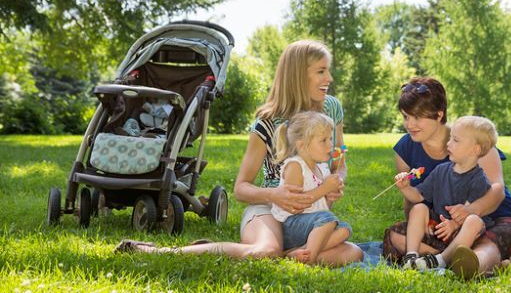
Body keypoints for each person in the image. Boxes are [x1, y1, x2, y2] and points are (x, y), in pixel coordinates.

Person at [116, 40, 362, 264]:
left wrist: (337, 179)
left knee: (353, 252)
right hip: (268, 209)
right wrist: (275, 195)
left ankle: (279, 254)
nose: (329, 77)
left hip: (308, 216)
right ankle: (159, 252)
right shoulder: (267, 122)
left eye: (327, 70)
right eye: (321, 71)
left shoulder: (332, 109)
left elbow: (339, 160)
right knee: (265, 251)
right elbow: (241, 188)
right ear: (298, 75)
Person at [382, 77, 511, 279]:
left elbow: (496, 190)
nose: (410, 124)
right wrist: (419, 224)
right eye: (406, 117)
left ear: (439, 114)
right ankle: (465, 260)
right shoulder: (405, 147)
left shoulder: (471, 137)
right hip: (448, 226)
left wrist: (469, 211)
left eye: (417, 117)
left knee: (486, 238)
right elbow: (415, 198)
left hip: (497, 218)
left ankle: (475, 261)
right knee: (396, 236)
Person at [391, 116, 496, 271]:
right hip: (440, 229)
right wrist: (405, 187)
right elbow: (418, 195)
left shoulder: (479, 179)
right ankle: (411, 256)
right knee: (419, 208)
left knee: (474, 221)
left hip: (464, 234)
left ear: (474, 150)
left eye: (455, 140)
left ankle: (442, 260)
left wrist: (453, 224)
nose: (448, 143)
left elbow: (467, 212)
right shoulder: (441, 170)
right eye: (450, 138)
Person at [271, 111, 355, 265]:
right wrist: (324, 188)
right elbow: (295, 205)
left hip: (315, 226)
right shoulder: (295, 166)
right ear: (302, 145)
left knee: (345, 230)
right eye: (323, 140)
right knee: (328, 220)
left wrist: (329, 195)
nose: (330, 145)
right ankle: (308, 260)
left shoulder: (322, 168)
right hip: (291, 225)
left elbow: (322, 208)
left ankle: (294, 254)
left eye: (330, 139)